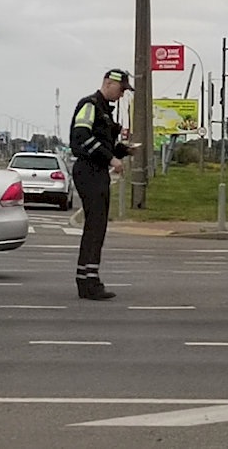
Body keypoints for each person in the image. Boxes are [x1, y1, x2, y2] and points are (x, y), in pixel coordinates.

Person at [69, 69, 137, 300]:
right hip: (88, 171)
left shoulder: (104, 112)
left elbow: (102, 145)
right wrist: (111, 158)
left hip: (96, 172)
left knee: (97, 228)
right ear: (108, 83)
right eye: (120, 90)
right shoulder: (89, 105)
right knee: (95, 227)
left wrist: (122, 151)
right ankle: (88, 283)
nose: (121, 95)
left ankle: (88, 279)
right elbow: (81, 138)